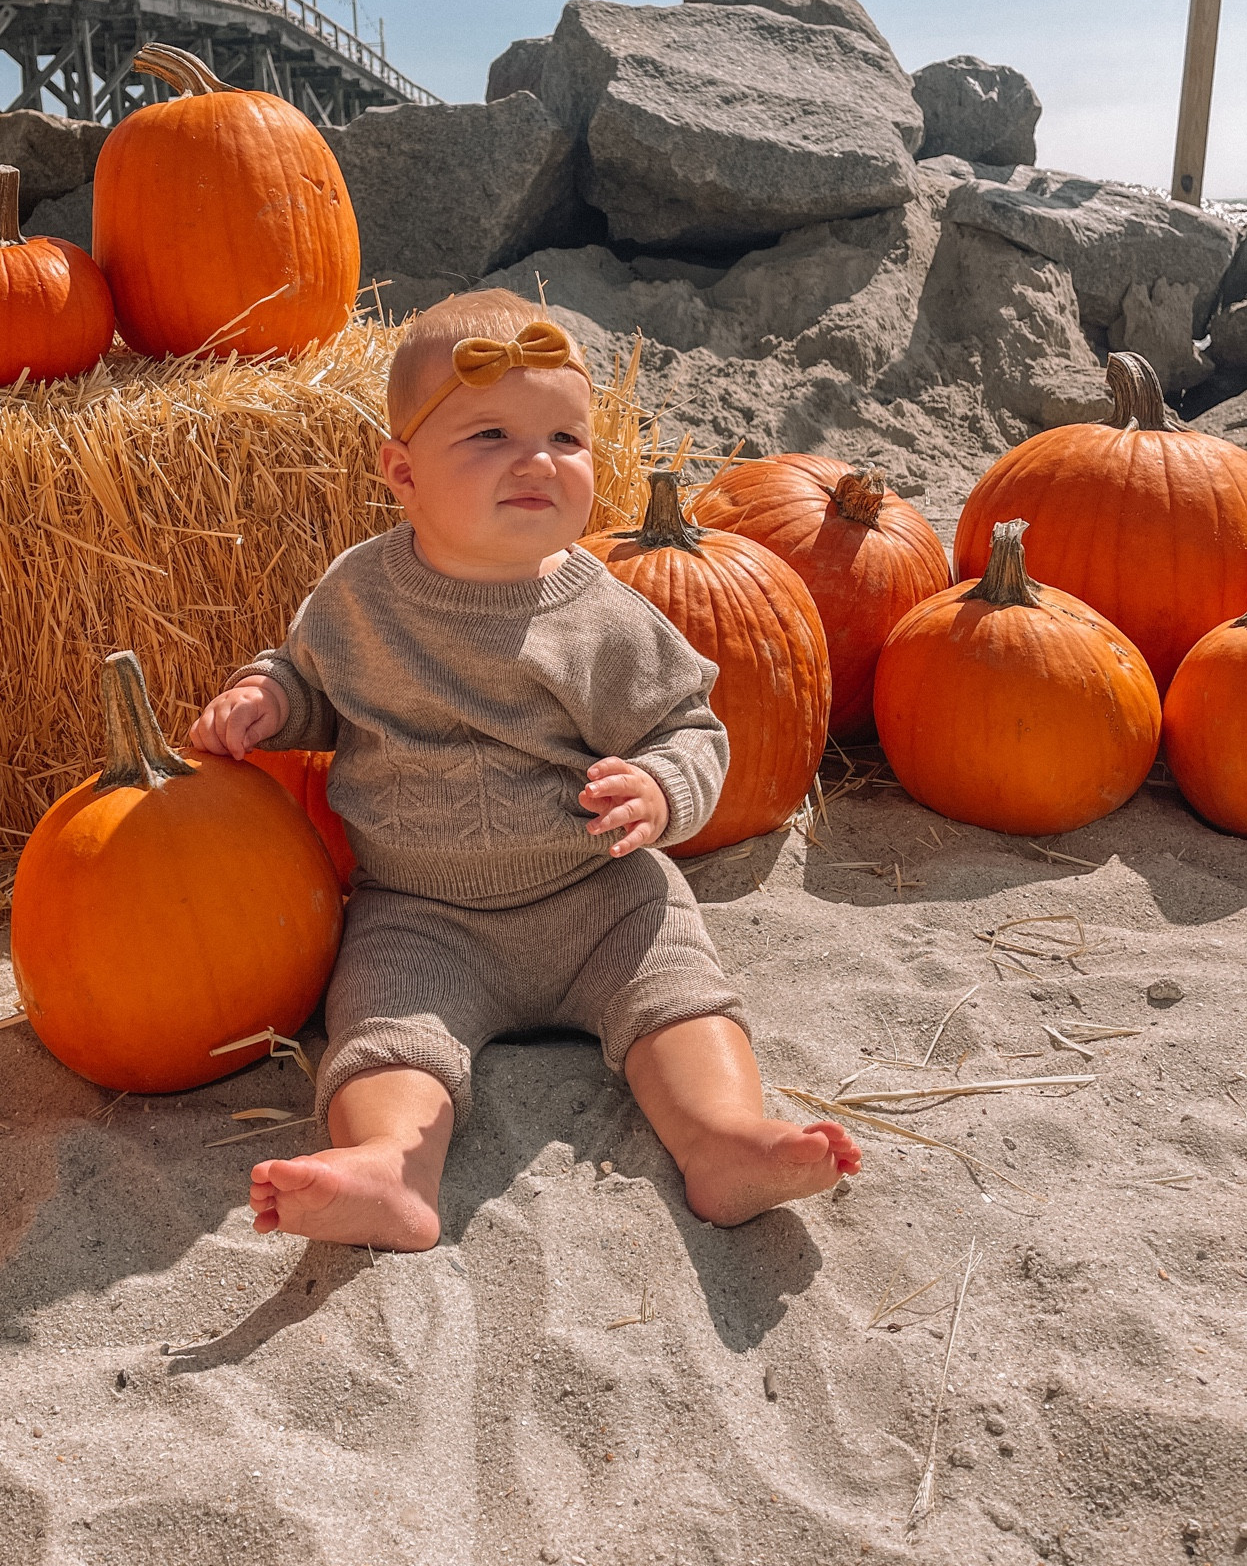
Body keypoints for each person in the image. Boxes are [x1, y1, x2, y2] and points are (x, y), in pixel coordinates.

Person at [190, 288, 860, 1249]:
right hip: (422, 912)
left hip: (598, 894)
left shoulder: (604, 613)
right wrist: (268, 700)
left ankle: (724, 1140)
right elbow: (312, 681)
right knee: (384, 1032)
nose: (538, 459)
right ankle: (393, 1170)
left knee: (678, 990)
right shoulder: (359, 595)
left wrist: (663, 789)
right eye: (492, 434)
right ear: (402, 470)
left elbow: (692, 727)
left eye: (566, 439)